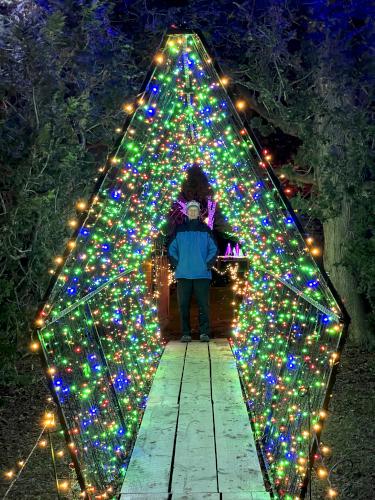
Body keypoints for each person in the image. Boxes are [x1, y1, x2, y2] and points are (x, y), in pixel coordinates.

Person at [167, 200, 218, 342]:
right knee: (183, 306)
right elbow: (171, 250)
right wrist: (178, 264)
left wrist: (207, 264)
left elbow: (213, 249)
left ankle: (204, 333)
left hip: (202, 274)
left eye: (195, 209)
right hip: (183, 274)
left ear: (199, 212)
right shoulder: (179, 230)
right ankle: (185, 333)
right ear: (187, 212)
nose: (193, 212)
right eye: (191, 209)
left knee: (204, 305)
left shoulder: (205, 230)